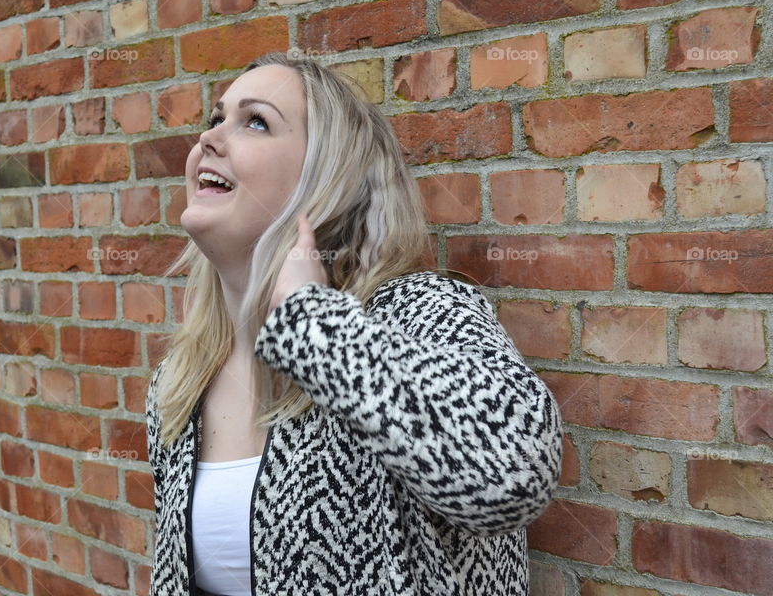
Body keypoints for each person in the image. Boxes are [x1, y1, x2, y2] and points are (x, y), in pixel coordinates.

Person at [145, 51, 563, 596]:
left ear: (324, 180)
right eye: (215, 118)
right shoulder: (182, 380)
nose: (210, 138)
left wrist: (316, 329)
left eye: (255, 121)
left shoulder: (420, 313)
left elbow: (516, 473)